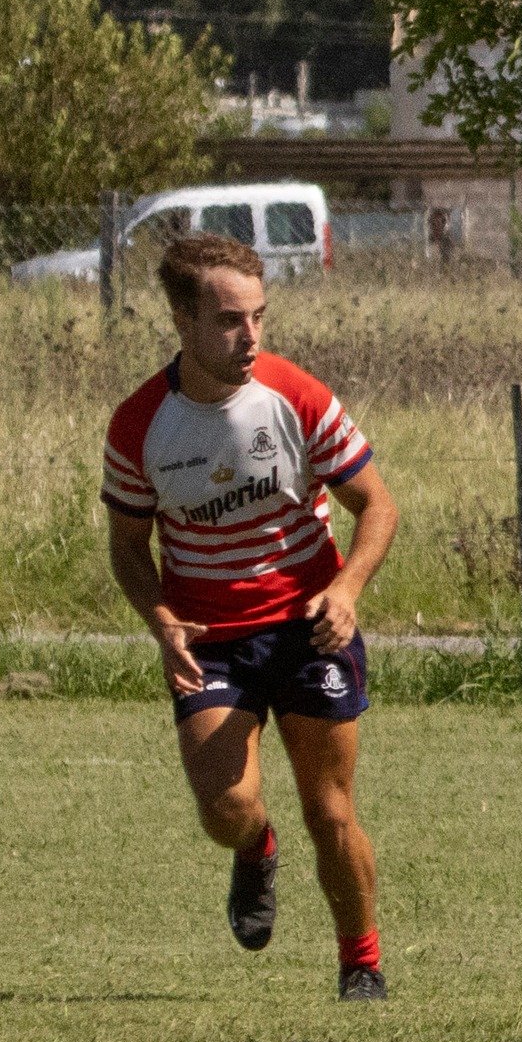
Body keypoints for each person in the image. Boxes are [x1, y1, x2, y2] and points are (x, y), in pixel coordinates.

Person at [102, 233, 400, 1001]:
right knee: (226, 807)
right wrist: (160, 618)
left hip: (309, 627)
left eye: (260, 317)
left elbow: (378, 506)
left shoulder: (295, 395)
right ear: (183, 320)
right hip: (210, 641)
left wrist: (347, 589)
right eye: (232, 319)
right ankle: (255, 848)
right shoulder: (139, 424)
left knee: (330, 809)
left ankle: (360, 961)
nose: (252, 335)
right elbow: (129, 547)